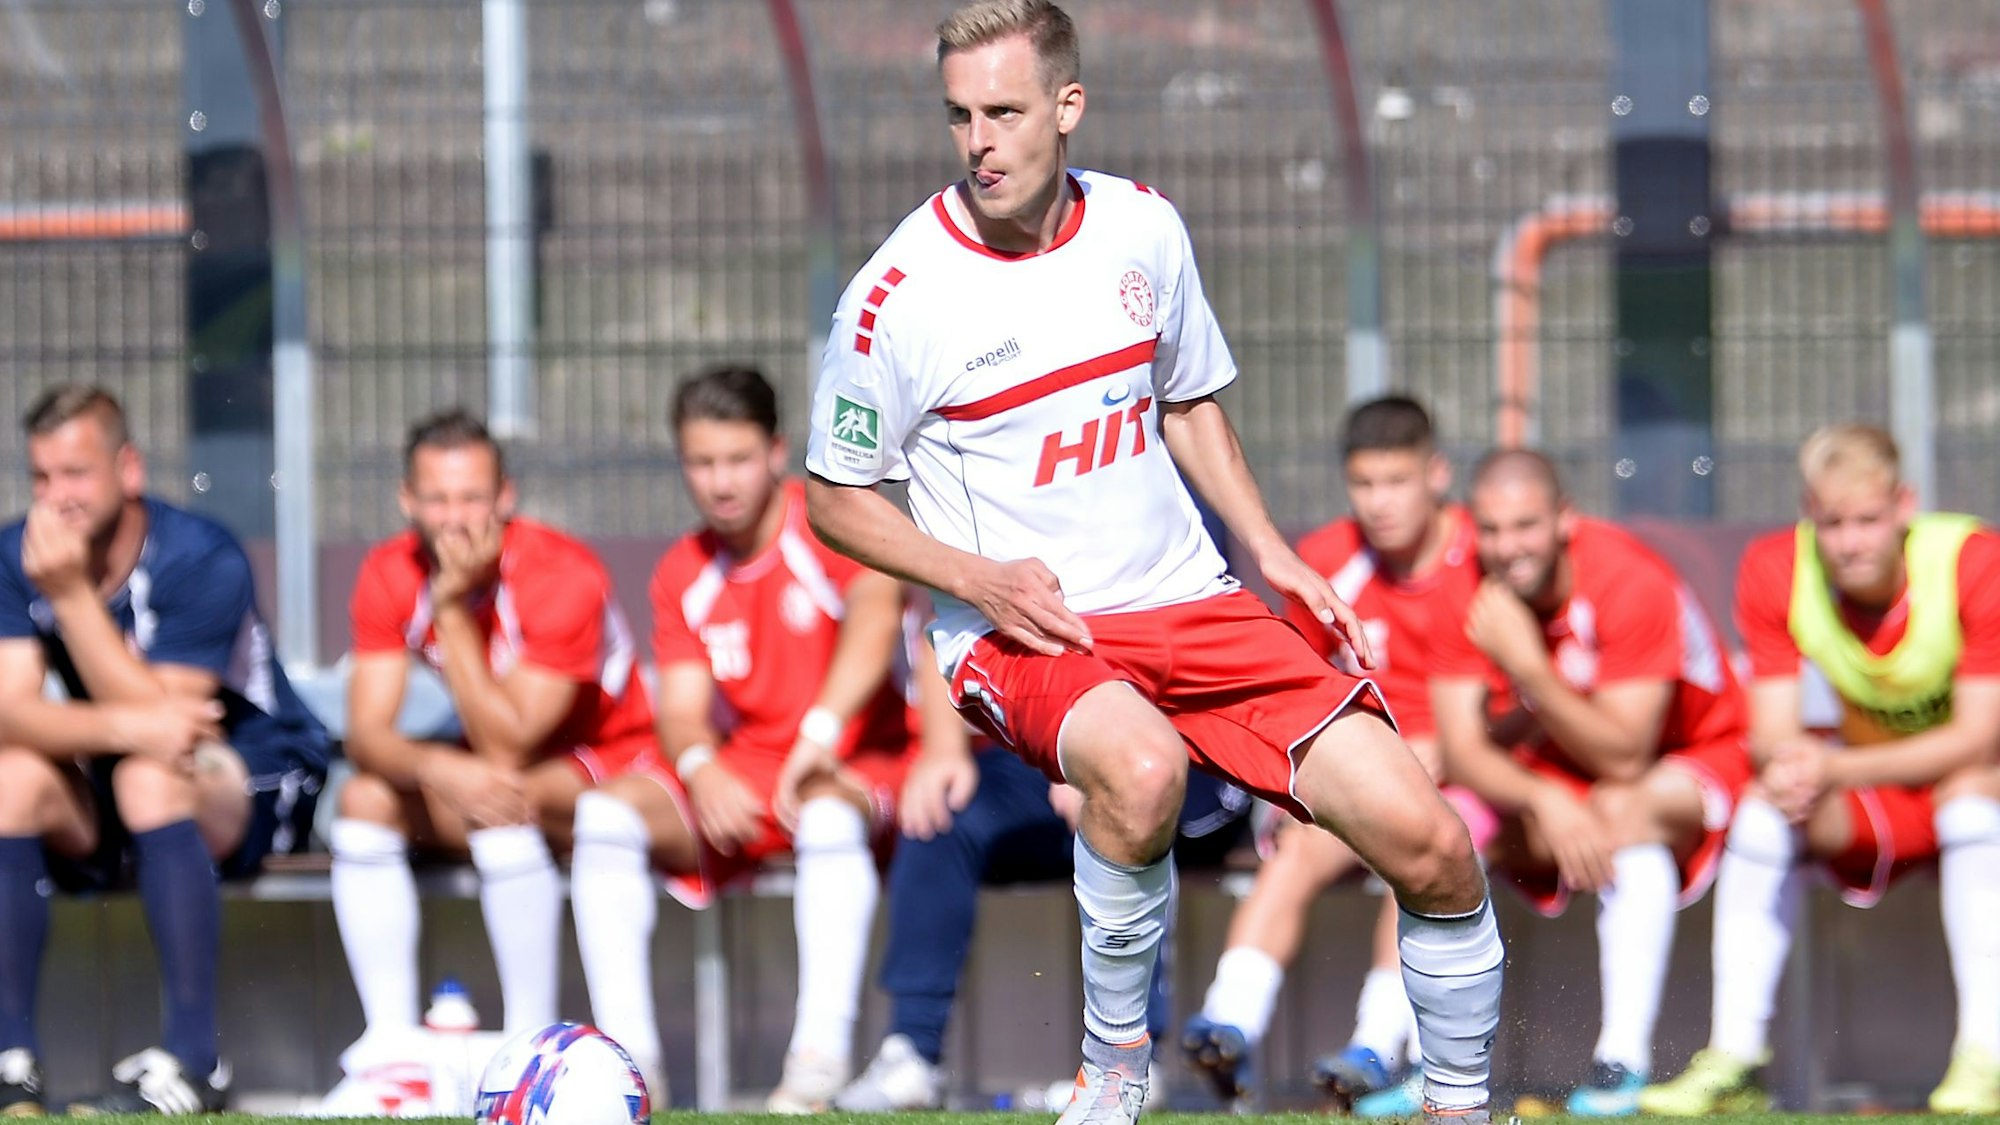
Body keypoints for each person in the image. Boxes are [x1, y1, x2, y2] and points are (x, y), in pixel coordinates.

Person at [802, 5, 1504, 1124]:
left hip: (1193, 601)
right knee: (1136, 773)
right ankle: (1114, 1071)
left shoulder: (1141, 228)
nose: (978, 140)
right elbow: (833, 498)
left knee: (1430, 844)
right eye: (958, 116)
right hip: (1023, 628)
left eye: (1003, 112)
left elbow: (1187, 405)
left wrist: (1271, 551)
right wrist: (975, 579)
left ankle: (1457, 1106)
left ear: (1066, 108)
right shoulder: (895, 297)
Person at [568, 366, 918, 1113]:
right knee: (602, 815)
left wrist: (817, 738)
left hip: (857, 765)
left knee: (826, 818)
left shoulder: (830, 520)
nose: (720, 481)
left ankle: (815, 1067)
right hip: (749, 777)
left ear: (776, 452)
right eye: (701, 461)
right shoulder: (682, 569)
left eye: (737, 459)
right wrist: (698, 767)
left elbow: (878, 614)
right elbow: (684, 711)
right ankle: (630, 1074)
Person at [1641, 425, 2000, 1117]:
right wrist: (1789, 769)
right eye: (1832, 522)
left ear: (1905, 505)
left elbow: (1978, 737)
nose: (1850, 541)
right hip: (1883, 791)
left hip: (1981, 780)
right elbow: (1771, 729)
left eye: (1867, 519)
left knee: (1967, 799)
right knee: (1763, 807)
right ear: (1809, 512)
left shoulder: (1972, 560)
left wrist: (1834, 762)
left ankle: (1986, 1053)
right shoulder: (1777, 565)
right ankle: (1736, 1058)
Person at [0, 385, 331, 1114]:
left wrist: (74, 598)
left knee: (150, 779)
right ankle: (11, 1061)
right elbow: (10, 715)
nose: (56, 499)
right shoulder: (13, 552)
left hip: (253, 768)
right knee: (12, 779)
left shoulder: (200, 554)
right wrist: (124, 729)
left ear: (129, 470)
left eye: (76, 474)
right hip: (117, 770)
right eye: (42, 477)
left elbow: (177, 727)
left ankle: (193, 1062)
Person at [1429, 449, 1753, 1116]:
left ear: (1564, 520)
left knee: (1623, 810)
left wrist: (1531, 669)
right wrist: (1544, 795)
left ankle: (1622, 1059)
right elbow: (1461, 750)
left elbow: (1629, 755)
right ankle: (1413, 1058)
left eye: (1524, 526)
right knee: (1439, 823)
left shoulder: (1629, 579)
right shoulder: (1465, 583)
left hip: (1701, 753)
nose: (1506, 547)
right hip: (1569, 771)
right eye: (1490, 528)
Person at [1178, 395, 1478, 1113]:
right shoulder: (1324, 561)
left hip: (1464, 780)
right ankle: (1231, 1021)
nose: (1380, 503)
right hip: (1352, 774)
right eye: (1364, 484)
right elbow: (1289, 686)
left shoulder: (1480, 556)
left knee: (1424, 852)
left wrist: (1454, 752)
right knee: (1300, 848)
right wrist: (1289, 791)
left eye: (1396, 481)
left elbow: (1505, 695)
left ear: (1435, 474)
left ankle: (1377, 1045)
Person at [329, 411, 660, 1050]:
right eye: (437, 499)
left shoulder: (563, 572)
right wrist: (436, 766)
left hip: (611, 760)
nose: (455, 519)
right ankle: (391, 1045)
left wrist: (450, 610)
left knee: (504, 794)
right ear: (407, 500)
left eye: (473, 498)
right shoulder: (387, 570)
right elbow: (366, 735)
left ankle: (527, 1040)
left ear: (506, 496)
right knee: (362, 797)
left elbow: (512, 743)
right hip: (497, 764)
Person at [836, 619, 1251, 1112]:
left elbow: (1146, 626)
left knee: (1131, 810)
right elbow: (942, 615)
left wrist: (1097, 754)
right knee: (937, 816)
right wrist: (944, 750)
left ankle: (1134, 1060)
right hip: (1036, 743)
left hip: (1153, 734)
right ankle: (912, 1050)